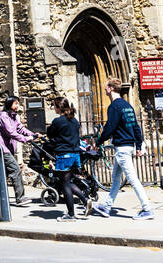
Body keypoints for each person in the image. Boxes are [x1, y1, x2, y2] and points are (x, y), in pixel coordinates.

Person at [92, 80, 154, 221]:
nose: (105, 89)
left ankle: (147, 209)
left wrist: (98, 142)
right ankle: (107, 207)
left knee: (133, 179)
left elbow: (110, 127)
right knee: (115, 179)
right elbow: (136, 126)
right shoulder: (127, 106)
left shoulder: (114, 107)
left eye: (106, 86)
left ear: (111, 88)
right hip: (128, 146)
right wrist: (138, 145)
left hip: (122, 148)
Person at [47, 96, 86, 222]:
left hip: (64, 155)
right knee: (68, 181)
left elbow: (50, 134)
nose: (54, 108)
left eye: (54, 106)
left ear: (59, 107)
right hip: (75, 155)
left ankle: (70, 214)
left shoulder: (58, 121)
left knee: (65, 185)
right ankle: (86, 201)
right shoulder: (74, 120)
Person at [0, 96, 37, 207]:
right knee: (16, 170)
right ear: (9, 104)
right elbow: (11, 133)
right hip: (3, 149)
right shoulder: (3, 117)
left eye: (18, 103)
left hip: (9, 148)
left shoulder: (15, 116)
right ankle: (20, 198)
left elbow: (20, 128)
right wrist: (27, 139)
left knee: (2, 173)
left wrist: (32, 134)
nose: (17, 105)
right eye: (15, 103)